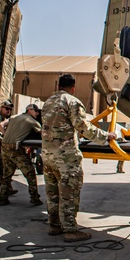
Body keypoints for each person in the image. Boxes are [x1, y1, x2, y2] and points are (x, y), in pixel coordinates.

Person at [41, 74, 118, 242]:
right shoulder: (72, 102)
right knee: (69, 192)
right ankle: (70, 230)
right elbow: (83, 127)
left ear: (58, 85)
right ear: (73, 87)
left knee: (52, 192)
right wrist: (106, 136)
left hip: (47, 156)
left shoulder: (47, 102)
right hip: (66, 158)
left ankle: (54, 225)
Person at [0, 103, 43, 206]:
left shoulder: (14, 117)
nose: (37, 113)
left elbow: (0, 125)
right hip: (15, 149)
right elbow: (43, 134)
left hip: (4, 146)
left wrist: (6, 135)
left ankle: (2, 198)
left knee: (7, 174)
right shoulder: (32, 121)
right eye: (35, 111)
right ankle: (34, 197)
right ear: (29, 110)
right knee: (30, 173)